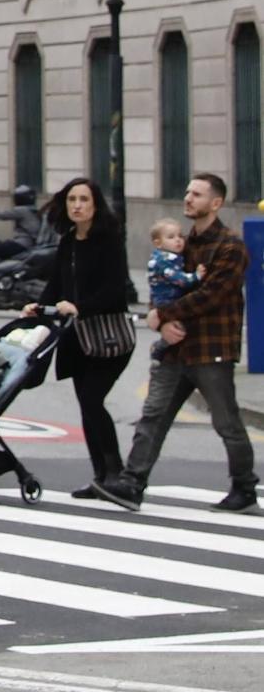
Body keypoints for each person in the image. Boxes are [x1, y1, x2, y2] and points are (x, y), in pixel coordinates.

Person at [96, 174, 258, 514]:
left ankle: (244, 487)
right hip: (175, 349)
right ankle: (132, 483)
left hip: (211, 349)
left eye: (196, 194)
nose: (188, 198)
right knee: (153, 415)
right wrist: (161, 318)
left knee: (226, 421)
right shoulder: (178, 246)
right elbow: (161, 287)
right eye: (187, 192)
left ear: (215, 203)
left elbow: (210, 295)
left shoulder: (230, 246)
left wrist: (162, 315)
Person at [22, 178, 134, 501]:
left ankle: (116, 473)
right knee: (86, 406)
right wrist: (37, 307)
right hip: (77, 339)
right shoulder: (69, 240)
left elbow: (115, 292)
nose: (77, 205)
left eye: (84, 199)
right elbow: (57, 284)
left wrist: (79, 307)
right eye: (72, 199)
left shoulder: (108, 241)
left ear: (95, 205)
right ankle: (100, 475)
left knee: (92, 400)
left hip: (108, 339)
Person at [146, 218, 197, 362]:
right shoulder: (163, 261)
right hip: (166, 301)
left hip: (169, 298)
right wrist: (196, 276)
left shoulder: (173, 257)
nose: (178, 240)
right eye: (171, 237)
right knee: (178, 328)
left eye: (180, 236)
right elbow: (179, 278)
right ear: (158, 243)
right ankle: (160, 348)